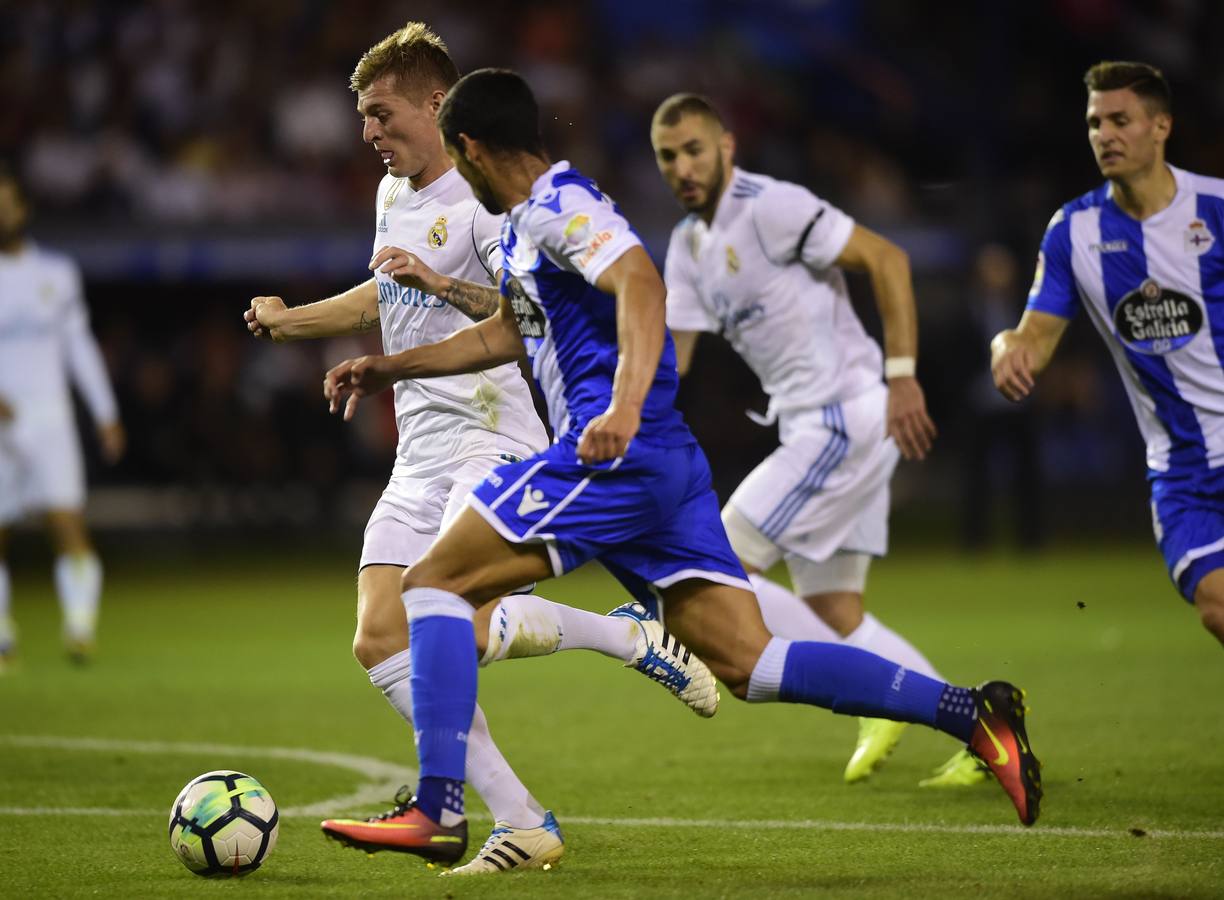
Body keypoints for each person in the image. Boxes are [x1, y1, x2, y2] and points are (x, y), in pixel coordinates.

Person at [322, 68, 1044, 867]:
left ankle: (439, 807)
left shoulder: (565, 203)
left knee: (429, 584)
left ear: (471, 148)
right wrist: (395, 368)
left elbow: (640, 281)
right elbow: (507, 334)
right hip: (658, 465)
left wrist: (623, 406)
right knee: (750, 661)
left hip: (614, 455)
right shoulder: (528, 226)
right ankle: (969, 712)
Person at [244, 23, 714, 875]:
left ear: (436, 104)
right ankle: (525, 819)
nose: (369, 134)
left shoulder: (487, 198)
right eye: (362, 119)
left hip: (490, 435)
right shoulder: (394, 195)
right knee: (380, 638)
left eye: (382, 114)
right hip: (419, 447)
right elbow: (380, 293)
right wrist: (293, 322)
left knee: (450, 612)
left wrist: (433, 287)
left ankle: (625, 642)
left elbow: (513, 316)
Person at [649, 93, 990, 788]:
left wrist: (903, 378)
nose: (682, 166)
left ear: (727, 147)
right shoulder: (687, 245)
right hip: (821, 425)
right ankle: (979, 727)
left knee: (716, 562)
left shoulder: (771, 206)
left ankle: (890, 703)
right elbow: (671, 362)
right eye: (667, 155)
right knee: (835, 610)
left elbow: (888, 259)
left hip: (842, 418)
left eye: (694, 149)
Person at [992, 60, 1224, 649]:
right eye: (1096, 122)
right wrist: (1007, 349)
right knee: (1217, 606)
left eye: (1121, 120)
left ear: (1161, 126)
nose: (1105, 135)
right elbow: (1035, 335)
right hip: (1183, 471)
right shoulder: (1073, 231)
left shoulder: (1216, 209)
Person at [0, 162, 125, 667]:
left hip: (50, 417)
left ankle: (79, 629)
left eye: (7, 202)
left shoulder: (55, 274)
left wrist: (106, 413)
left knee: (67, 521)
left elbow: (79, 348)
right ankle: (3, 634)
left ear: (24, 209)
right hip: (1, 424)